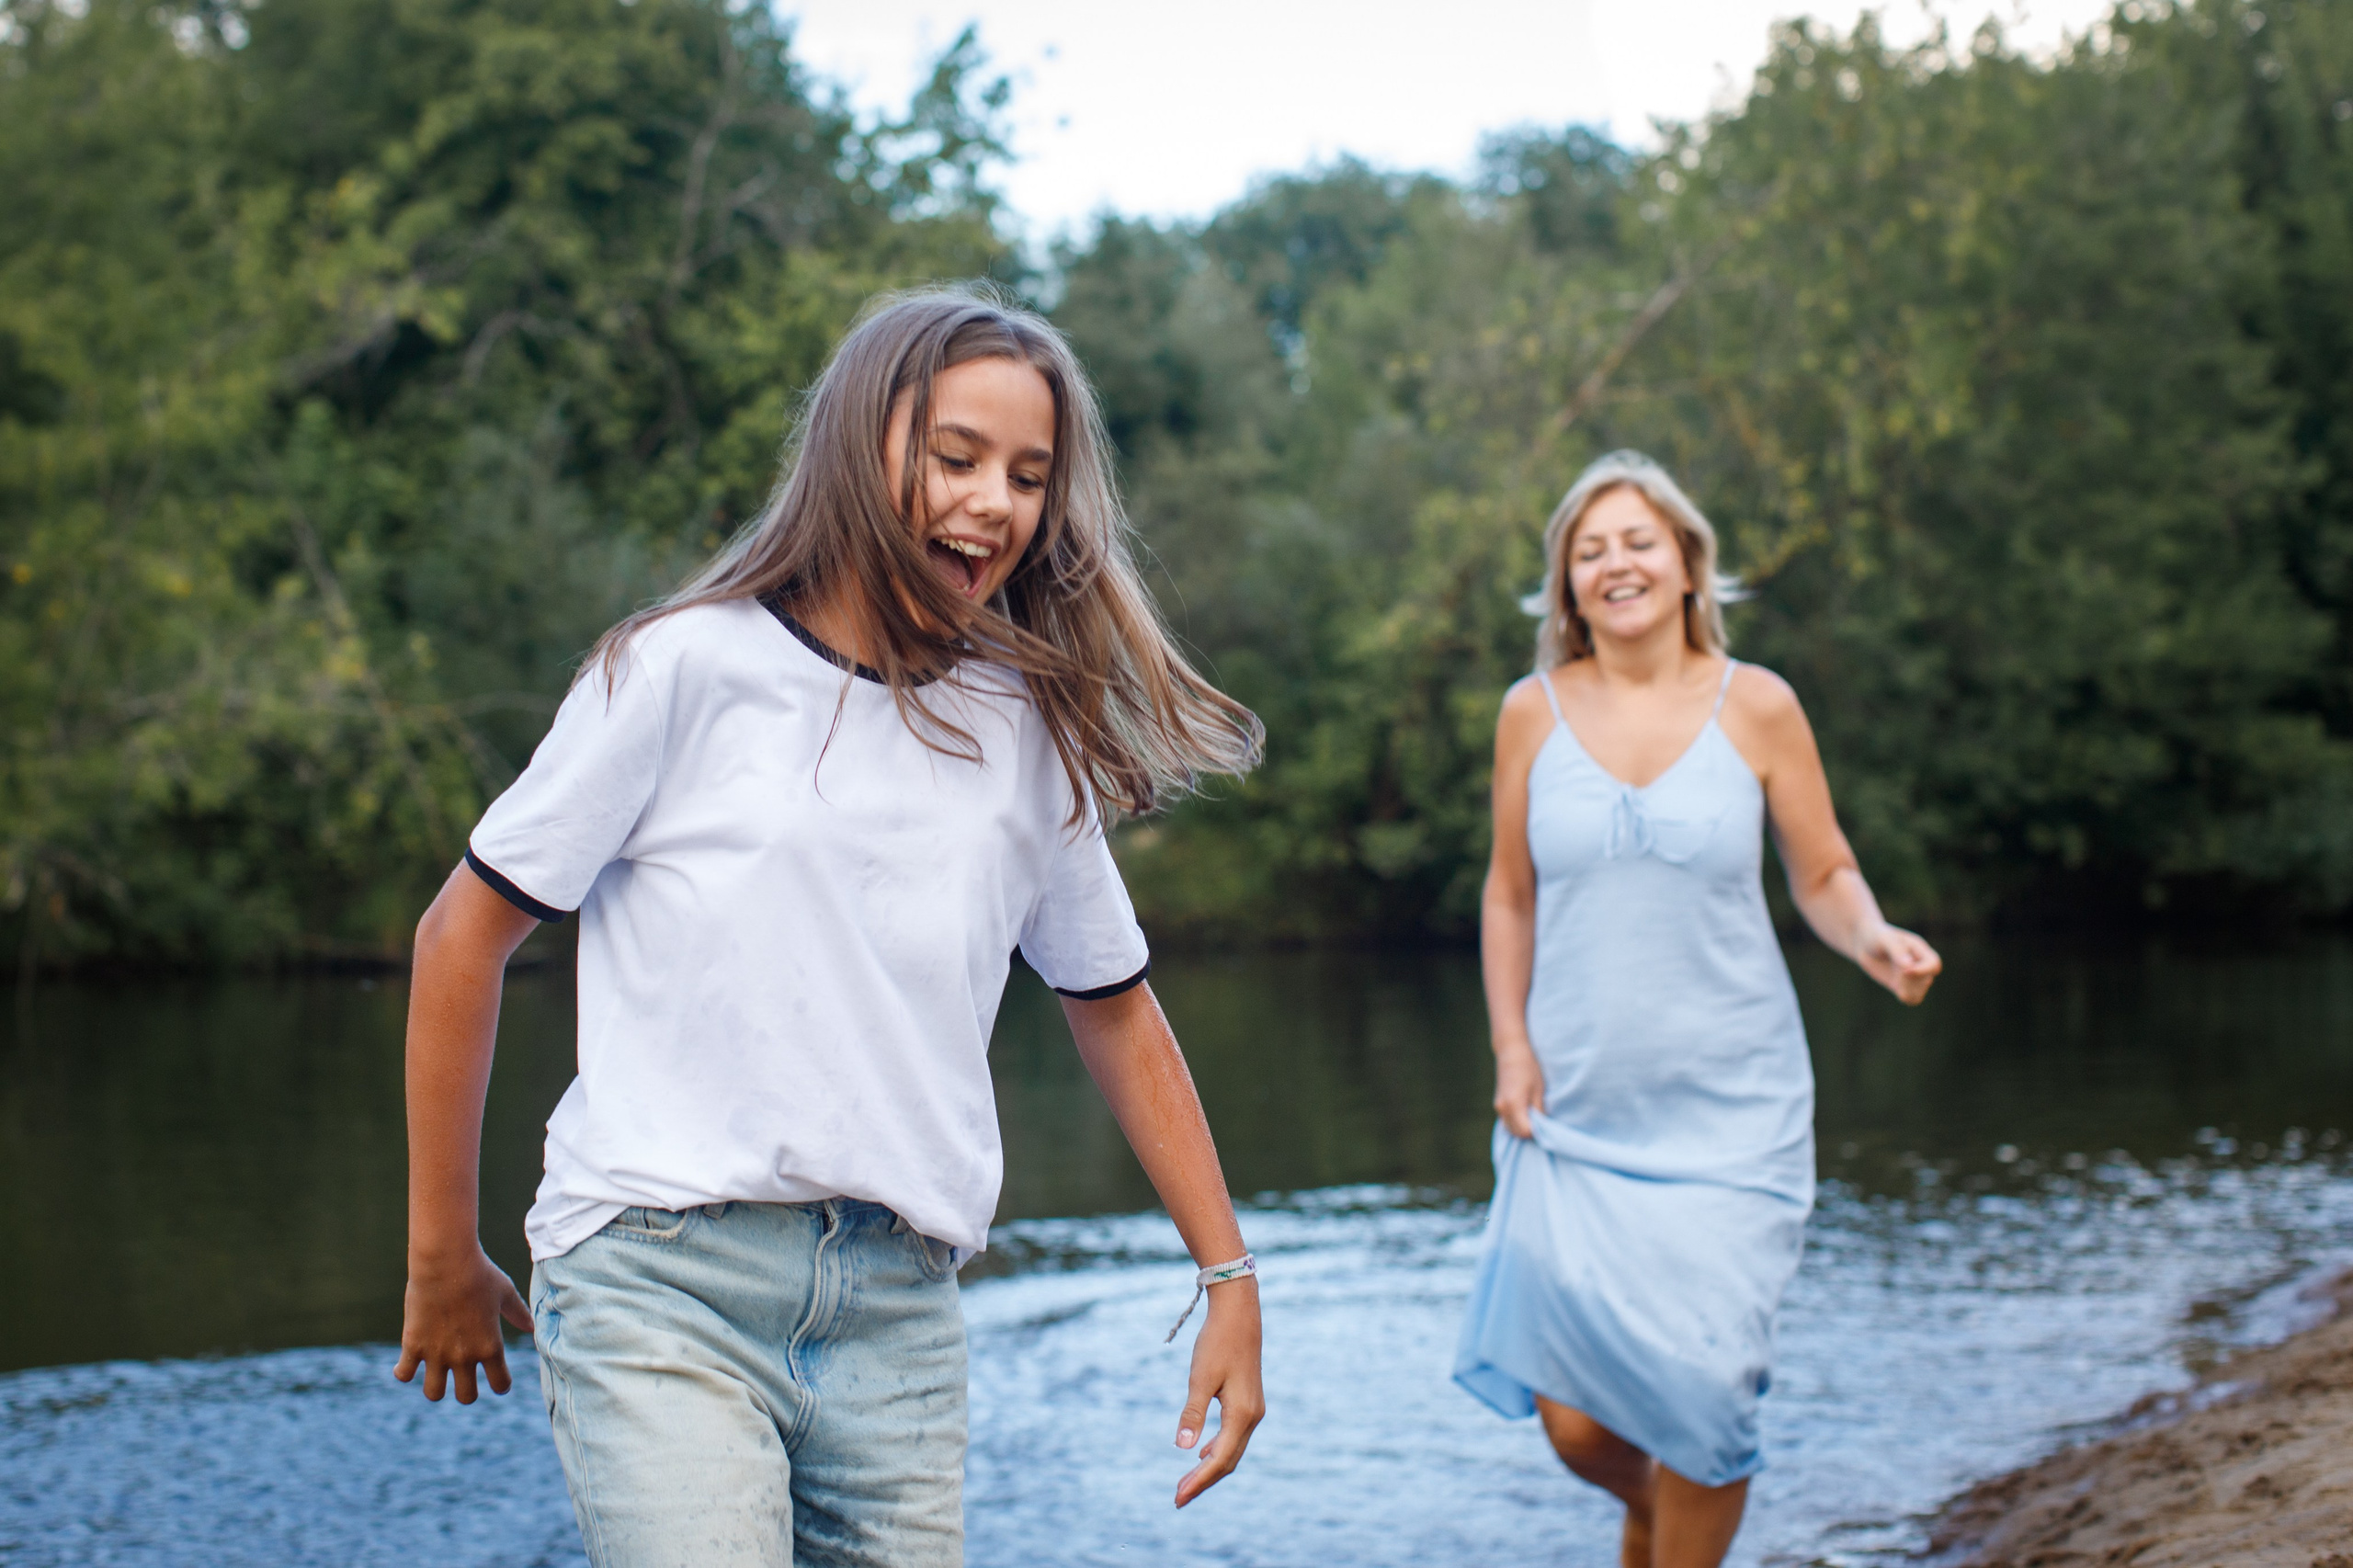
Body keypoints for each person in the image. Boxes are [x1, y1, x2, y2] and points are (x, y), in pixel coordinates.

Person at [392, 286, 1267, 1568]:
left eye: (1029, 475)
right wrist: (440, 1251)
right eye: (954, 455)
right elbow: (459, 935)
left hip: (896, 1308)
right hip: (659, 1277)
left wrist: (1228, 1275)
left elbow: (1114, 1001)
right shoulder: (684, 670)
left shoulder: (1025, 728)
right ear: (863, 447)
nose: (993, 502)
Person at [1454, 451, 1940, 1568]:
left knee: (1705, 1397)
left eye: (1637, 540)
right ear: (1567, 588)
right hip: (1573, 1107)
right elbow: (1507, 890)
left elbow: (1821, 873)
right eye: (1589, 549)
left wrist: (1871, 937)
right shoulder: (1528, 714)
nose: (1614, 562)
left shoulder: (1757, 703)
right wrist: (1511, 1043)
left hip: (1734, 1114)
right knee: (1573, 1418)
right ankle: (1660, 1515)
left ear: (1685, 565)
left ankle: (1681, 1523)